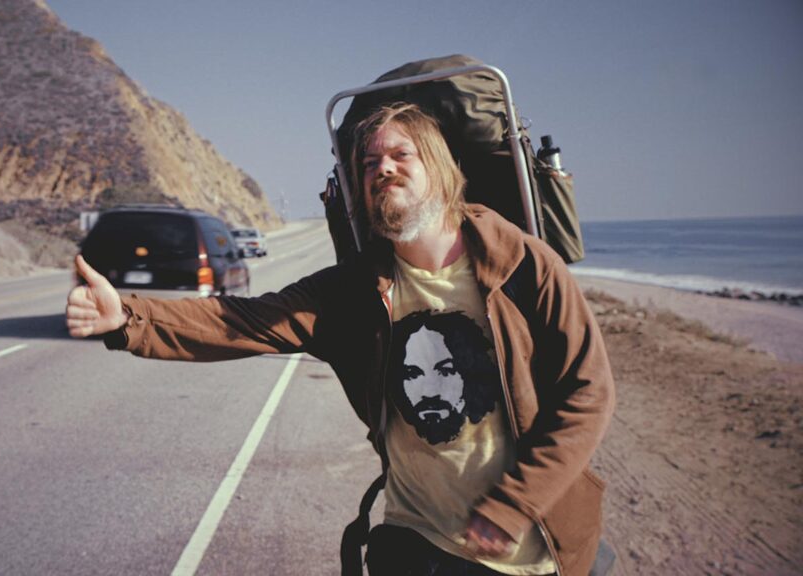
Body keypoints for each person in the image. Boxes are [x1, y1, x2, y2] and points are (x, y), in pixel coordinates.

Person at [66, 103, 615, 576]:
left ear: (440, 167)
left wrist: (516, 502)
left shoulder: (522, 264)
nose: (383, 169)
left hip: (521, 547)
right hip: (414, 537)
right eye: (370, 163)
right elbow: (242, 320)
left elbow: (588, 393)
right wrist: (128, 318)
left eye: (400, 155)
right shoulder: (354, 290)